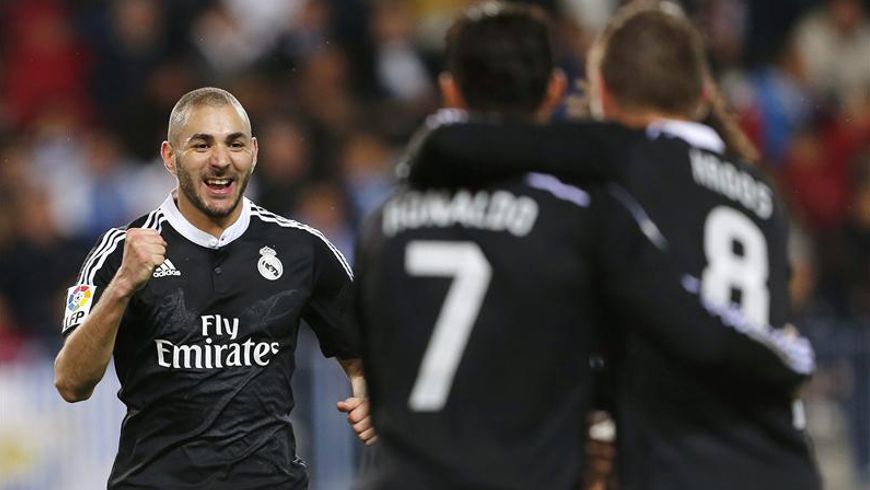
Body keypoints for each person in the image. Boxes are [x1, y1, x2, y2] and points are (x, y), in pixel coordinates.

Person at [353, 3, 814, 489]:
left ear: (604, 97)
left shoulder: (387, 223)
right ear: (703, 93)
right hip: (775, 451)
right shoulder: (760, 191)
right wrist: (784, 358)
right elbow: (686, 322)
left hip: (674, 456)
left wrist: (432, 145)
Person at [53, 87, 375, 489]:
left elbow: (363, 348)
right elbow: (70, 383)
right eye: (201, 145)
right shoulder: (121, 251)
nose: (221, 160)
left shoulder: (301, 248)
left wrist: (368, 389)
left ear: (254, 153)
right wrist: (121, 287)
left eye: (234, 144)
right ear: (170, 157)